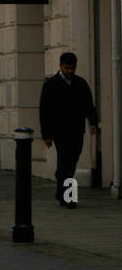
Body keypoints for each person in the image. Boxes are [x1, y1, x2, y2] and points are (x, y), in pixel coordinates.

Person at [38, 52, 99, 208]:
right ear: (60, 66)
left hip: (77, 130)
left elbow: (88, 104)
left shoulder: (80, 84)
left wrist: (92, 122)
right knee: (67, 163)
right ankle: (69, 197)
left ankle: (61, 188)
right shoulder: (51, 85)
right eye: (67, 68)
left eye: (72, 68)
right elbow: (45, 111)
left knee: (71, 161)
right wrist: (47, 135)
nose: (70, 71)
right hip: (59, 131)